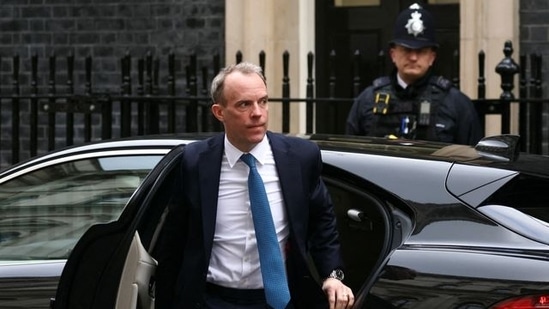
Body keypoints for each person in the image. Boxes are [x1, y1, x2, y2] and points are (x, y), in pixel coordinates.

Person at [155, 61, 354, 309]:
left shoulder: (301, 158)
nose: (258, 113)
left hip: (279, 300)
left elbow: (322, 222)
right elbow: (174, 239)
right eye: (244, 104)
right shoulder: (195, 161)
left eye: (263, 101)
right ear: (219, 112)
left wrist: (333, 276)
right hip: (210, 300)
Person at [345, 3, 483, 146]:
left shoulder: (456, 104)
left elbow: (473, 160)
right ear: (393, 54)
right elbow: (350, 153)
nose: (413, 58)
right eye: (406, 50)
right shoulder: (367, 100)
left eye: (421, 51)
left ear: (432, 57)